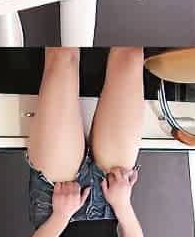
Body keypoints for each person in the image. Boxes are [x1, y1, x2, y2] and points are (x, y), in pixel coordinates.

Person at [27, 47, 145, 236]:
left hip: (59, 197)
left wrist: (61, 216)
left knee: (63, 59)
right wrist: (123, 206)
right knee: (130, 57)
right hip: (111, 198)